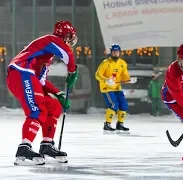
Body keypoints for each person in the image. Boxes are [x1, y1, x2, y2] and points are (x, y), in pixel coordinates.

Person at [7, 20, 78, 165]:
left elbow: (42, 82)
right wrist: (72, 71)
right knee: (37, 109)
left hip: (27, 76)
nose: (71, 40)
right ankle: (24, 148)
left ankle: (47, 145)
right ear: (64, 35)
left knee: (53, 106)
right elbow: (68, 54)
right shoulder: (51, 40)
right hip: (21, 73)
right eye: (70, 36)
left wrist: (59, 94)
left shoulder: (47, 55)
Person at [95, 44, 137, 133]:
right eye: (114, 52)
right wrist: (106, 80)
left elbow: (124, 76)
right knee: (114, 105)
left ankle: (120, 124)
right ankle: (107, 124)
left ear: (120, 53)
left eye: (117, 52)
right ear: (111, 53)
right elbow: (97, 75)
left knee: (124, 105)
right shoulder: (105, 63)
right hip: (107, 88)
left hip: (117, 88)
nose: (116, 53)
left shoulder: (122, 63)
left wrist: (130, 80)